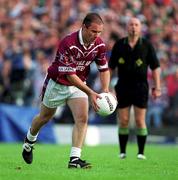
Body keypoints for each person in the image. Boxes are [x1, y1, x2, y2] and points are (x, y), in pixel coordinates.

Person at [22, 12, 110, 168]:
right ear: (84, 27)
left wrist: (105, 90)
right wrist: (91, 92)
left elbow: (104, 69)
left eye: (99, 32)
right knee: (44, 117)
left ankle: (74, 159)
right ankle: (29, 142)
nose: (97, 35)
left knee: (82, 118)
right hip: (58, 83)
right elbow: (69, 76)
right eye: (94, 31)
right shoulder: (68, 43)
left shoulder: (99, 45)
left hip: (79, 85)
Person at [109, 17, 161, 160]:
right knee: (124, 120)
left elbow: (155, 67)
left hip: (140, 87)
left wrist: (157, 87)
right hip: (123, 86)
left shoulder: (147, 45)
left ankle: (141, 153)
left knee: (139, 121)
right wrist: (107, 87)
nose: (133, 27)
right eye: (131, 24)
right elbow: (110, 67)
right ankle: (122, 152)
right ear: (127, 27)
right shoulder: (119, 45)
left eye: (136, 24)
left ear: (140, 27)